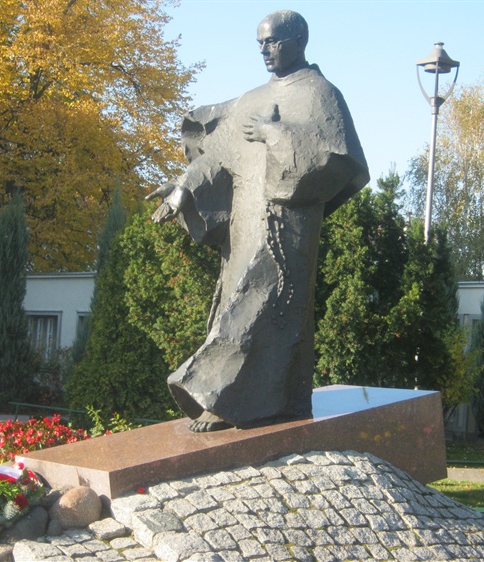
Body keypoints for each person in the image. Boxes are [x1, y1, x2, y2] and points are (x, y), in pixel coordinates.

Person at [147, 11, 369, 432]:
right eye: (260, 43)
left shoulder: (321, 94)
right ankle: (256, 401)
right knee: (235, 301)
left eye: (273, 41)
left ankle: (228, 399)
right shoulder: (250, 99)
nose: (265, 51)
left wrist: (274, 133)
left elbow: (339, 160)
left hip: (289, 226)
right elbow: (217, 157)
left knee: (266, 305)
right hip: (244, 222)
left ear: (299, 40)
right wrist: (184, 188)